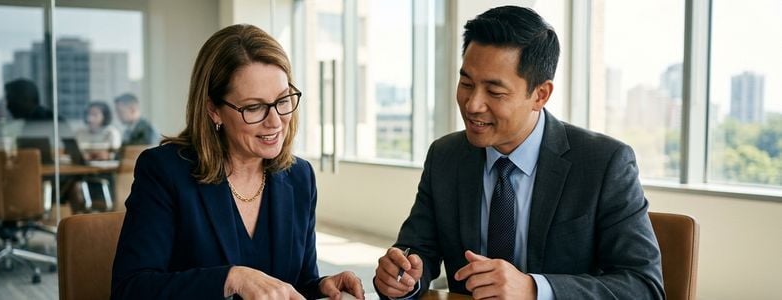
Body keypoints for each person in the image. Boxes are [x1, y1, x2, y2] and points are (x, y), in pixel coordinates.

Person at [373, 6, 663, 300]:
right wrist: (403, 278)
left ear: (540, 95)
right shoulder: (446, 157)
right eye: (466, 84)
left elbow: (642, 286)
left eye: (495, 92)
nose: (472, 104)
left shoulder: (603, 163)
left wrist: (534, 289)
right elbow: (417, 250)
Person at [111, 24, 365, 299]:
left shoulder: (299, 176)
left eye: (282, 100)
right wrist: (230, 279)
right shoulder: (164, 171)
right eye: (254, 107)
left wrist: (321, 286)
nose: (275, 121)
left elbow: (297, 282)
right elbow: (131, 289)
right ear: (213, 110)